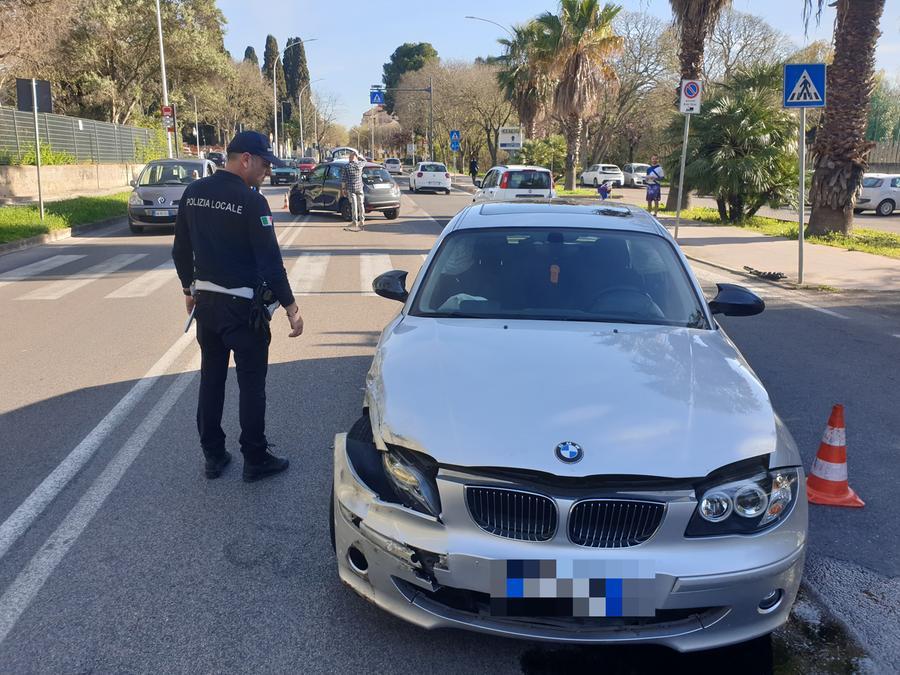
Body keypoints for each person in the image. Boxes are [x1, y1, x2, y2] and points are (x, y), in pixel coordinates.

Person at [172, 130, 304, 483]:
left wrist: (188, 289)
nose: (266, 171)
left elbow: (180, 250)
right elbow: (270, 264)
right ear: (245, 159)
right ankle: (255, 458)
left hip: (208, 306)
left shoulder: (194, 192)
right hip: (244, 310)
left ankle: (213, 457)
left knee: (211, 379)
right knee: (251, 384)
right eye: (263, 164)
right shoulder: (252, 202)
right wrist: (291, 307)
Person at [341, 151, 366, 232]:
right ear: (355, 158)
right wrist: (358, 156)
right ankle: (362, 221)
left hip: (351, 189)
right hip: (360, 188)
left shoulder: (347, 166)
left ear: (350, 158)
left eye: (349, 157)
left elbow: (344, 179)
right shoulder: (360, 165)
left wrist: (343, 189)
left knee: (354, 205)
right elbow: (365, 160)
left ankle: (355, 221)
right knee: (361, 204)